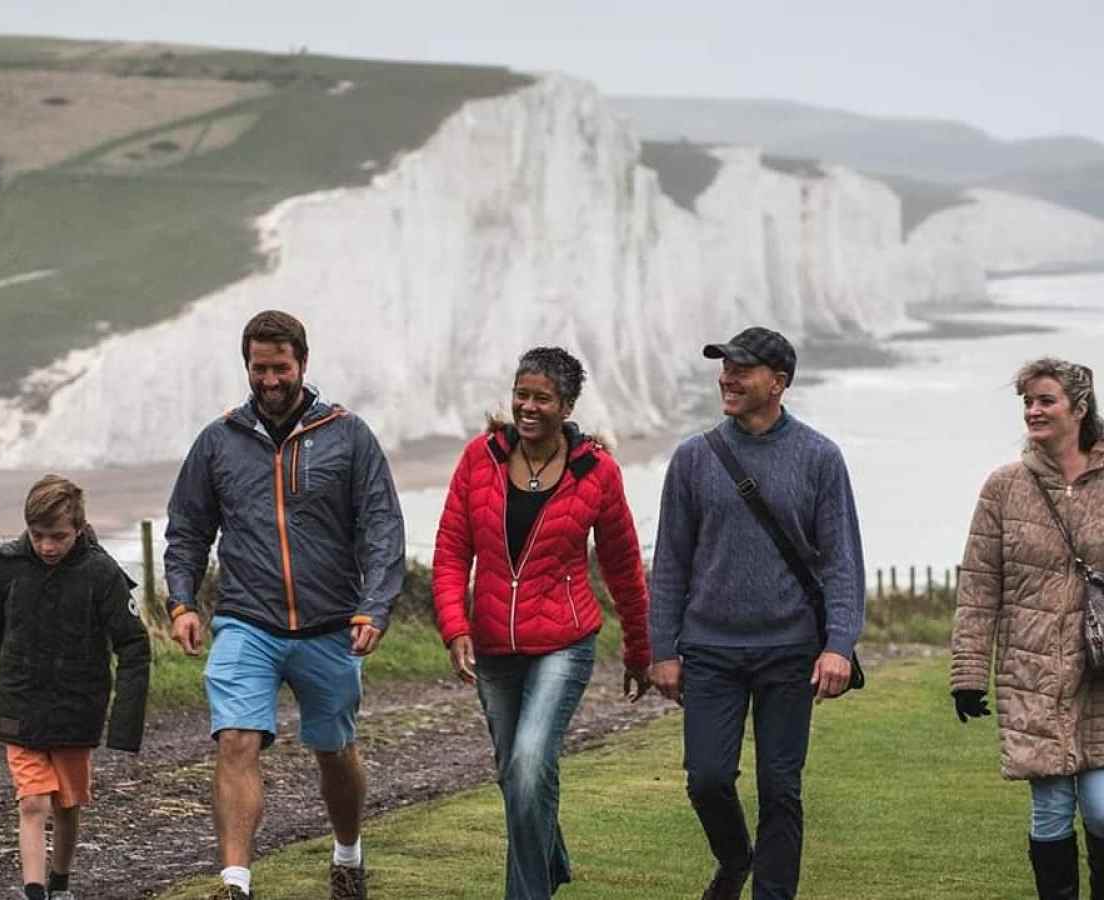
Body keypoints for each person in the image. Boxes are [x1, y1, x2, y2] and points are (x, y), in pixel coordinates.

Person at [164, 309, 405, 900]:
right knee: (236, 740)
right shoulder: (218, 441)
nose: (269, 380)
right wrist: (182, 602)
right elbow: (187, 529)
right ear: (246, 366)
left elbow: (381, 528)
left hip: (329, 626)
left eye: (280, 367)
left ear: (302, 364)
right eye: (258, 368)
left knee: (334, 751)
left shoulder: (349, 436)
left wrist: (374, 607)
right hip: (247, 621)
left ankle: (347, 852)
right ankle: (236, 882)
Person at [649, 326, 865, 900]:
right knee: (708, 780)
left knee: (780, 787)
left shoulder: (820, 458)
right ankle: (734, 857)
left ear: (779, 383)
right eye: (724, 367)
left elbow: (842, 560)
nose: (728, 377)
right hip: (710, 650)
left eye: (742, 369)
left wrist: (839, 644)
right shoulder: (694, 458)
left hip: (790, 650)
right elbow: (669, 561)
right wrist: (663, 649)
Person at [431, 346, 652, 899]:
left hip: (564, 641)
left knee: (531, 762)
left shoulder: (597, 472)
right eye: (521, 395)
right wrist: (455, 626)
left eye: (542, 398)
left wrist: (640, 650)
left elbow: (623, 564)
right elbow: (452, 548)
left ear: (567, 405)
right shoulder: (478, 459)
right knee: (516, 773)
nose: (528, 407)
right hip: (492, 646)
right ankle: (549, 860)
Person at [0, 475, 150, 900]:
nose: (47, 546)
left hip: (78, 708)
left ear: (78, 528)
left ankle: (60, 883)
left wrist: (125, 727)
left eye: (57, 536)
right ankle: (36, 892)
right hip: (20, 705)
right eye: (38, 535)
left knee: (66, 803)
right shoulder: (7, 566)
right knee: (32, 802)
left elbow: (134, 644)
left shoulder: (102, 572)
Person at [952, 357, 1104, 899]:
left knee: (1101, 804)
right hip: (1032, 670)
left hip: (1100, 671)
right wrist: (968, 673)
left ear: (1079, 408)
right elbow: (978, 588)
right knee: (1052, 807)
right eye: (1028, 402)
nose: (1033, 411)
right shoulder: (1004, 487)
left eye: (1046, 400)